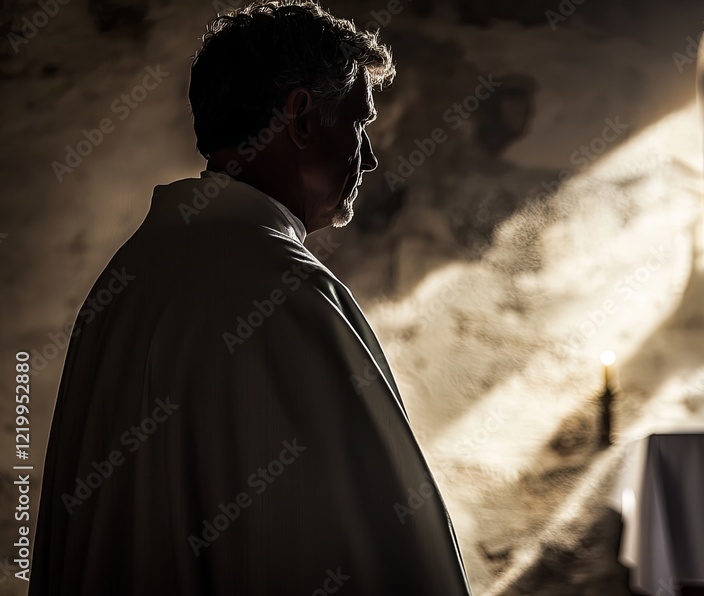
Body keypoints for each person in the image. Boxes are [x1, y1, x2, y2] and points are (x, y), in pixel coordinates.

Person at [30, 1, 472, 594]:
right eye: (360, 123)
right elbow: (384, 557)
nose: (368, 157)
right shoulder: (287, 290)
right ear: (303, 117)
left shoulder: (124, 281)